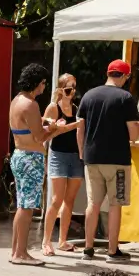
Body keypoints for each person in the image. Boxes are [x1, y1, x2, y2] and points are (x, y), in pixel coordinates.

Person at [8, 63, 78, 266]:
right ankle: (21, 254)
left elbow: (29, 126)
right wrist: (55, 128)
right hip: (31, 158)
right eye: (43, 83)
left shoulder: (17, 100)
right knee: (28, 207)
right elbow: (39, 137)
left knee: (22, 205)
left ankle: (15, 251)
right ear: (37, 83)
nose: (44, 87)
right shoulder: (31, 104)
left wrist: (47, 122)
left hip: (19, 155)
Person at [77, 60, 139, 263]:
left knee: (93, 204)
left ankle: (88, 248)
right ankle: (112, 251)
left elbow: (80, 128)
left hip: (92, 158)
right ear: (125, 76)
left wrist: (82, 153)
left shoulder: (88, 95)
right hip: (117, 160)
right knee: (115, 204)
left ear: (108, 73)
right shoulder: (125, 98)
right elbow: (134, 134)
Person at [41, 74, 84, 256]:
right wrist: (72, 125)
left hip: (75, 156)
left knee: (70, 201)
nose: (71, 92)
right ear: (60, 90)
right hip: (58, 155)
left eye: (74, 88)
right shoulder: (53, 107)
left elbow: (80, 133)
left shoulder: (75, 108)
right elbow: (47, 133)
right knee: (56, 200)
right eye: (68, 88)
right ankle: (46, 241)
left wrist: (82, 154)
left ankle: (63, 240)